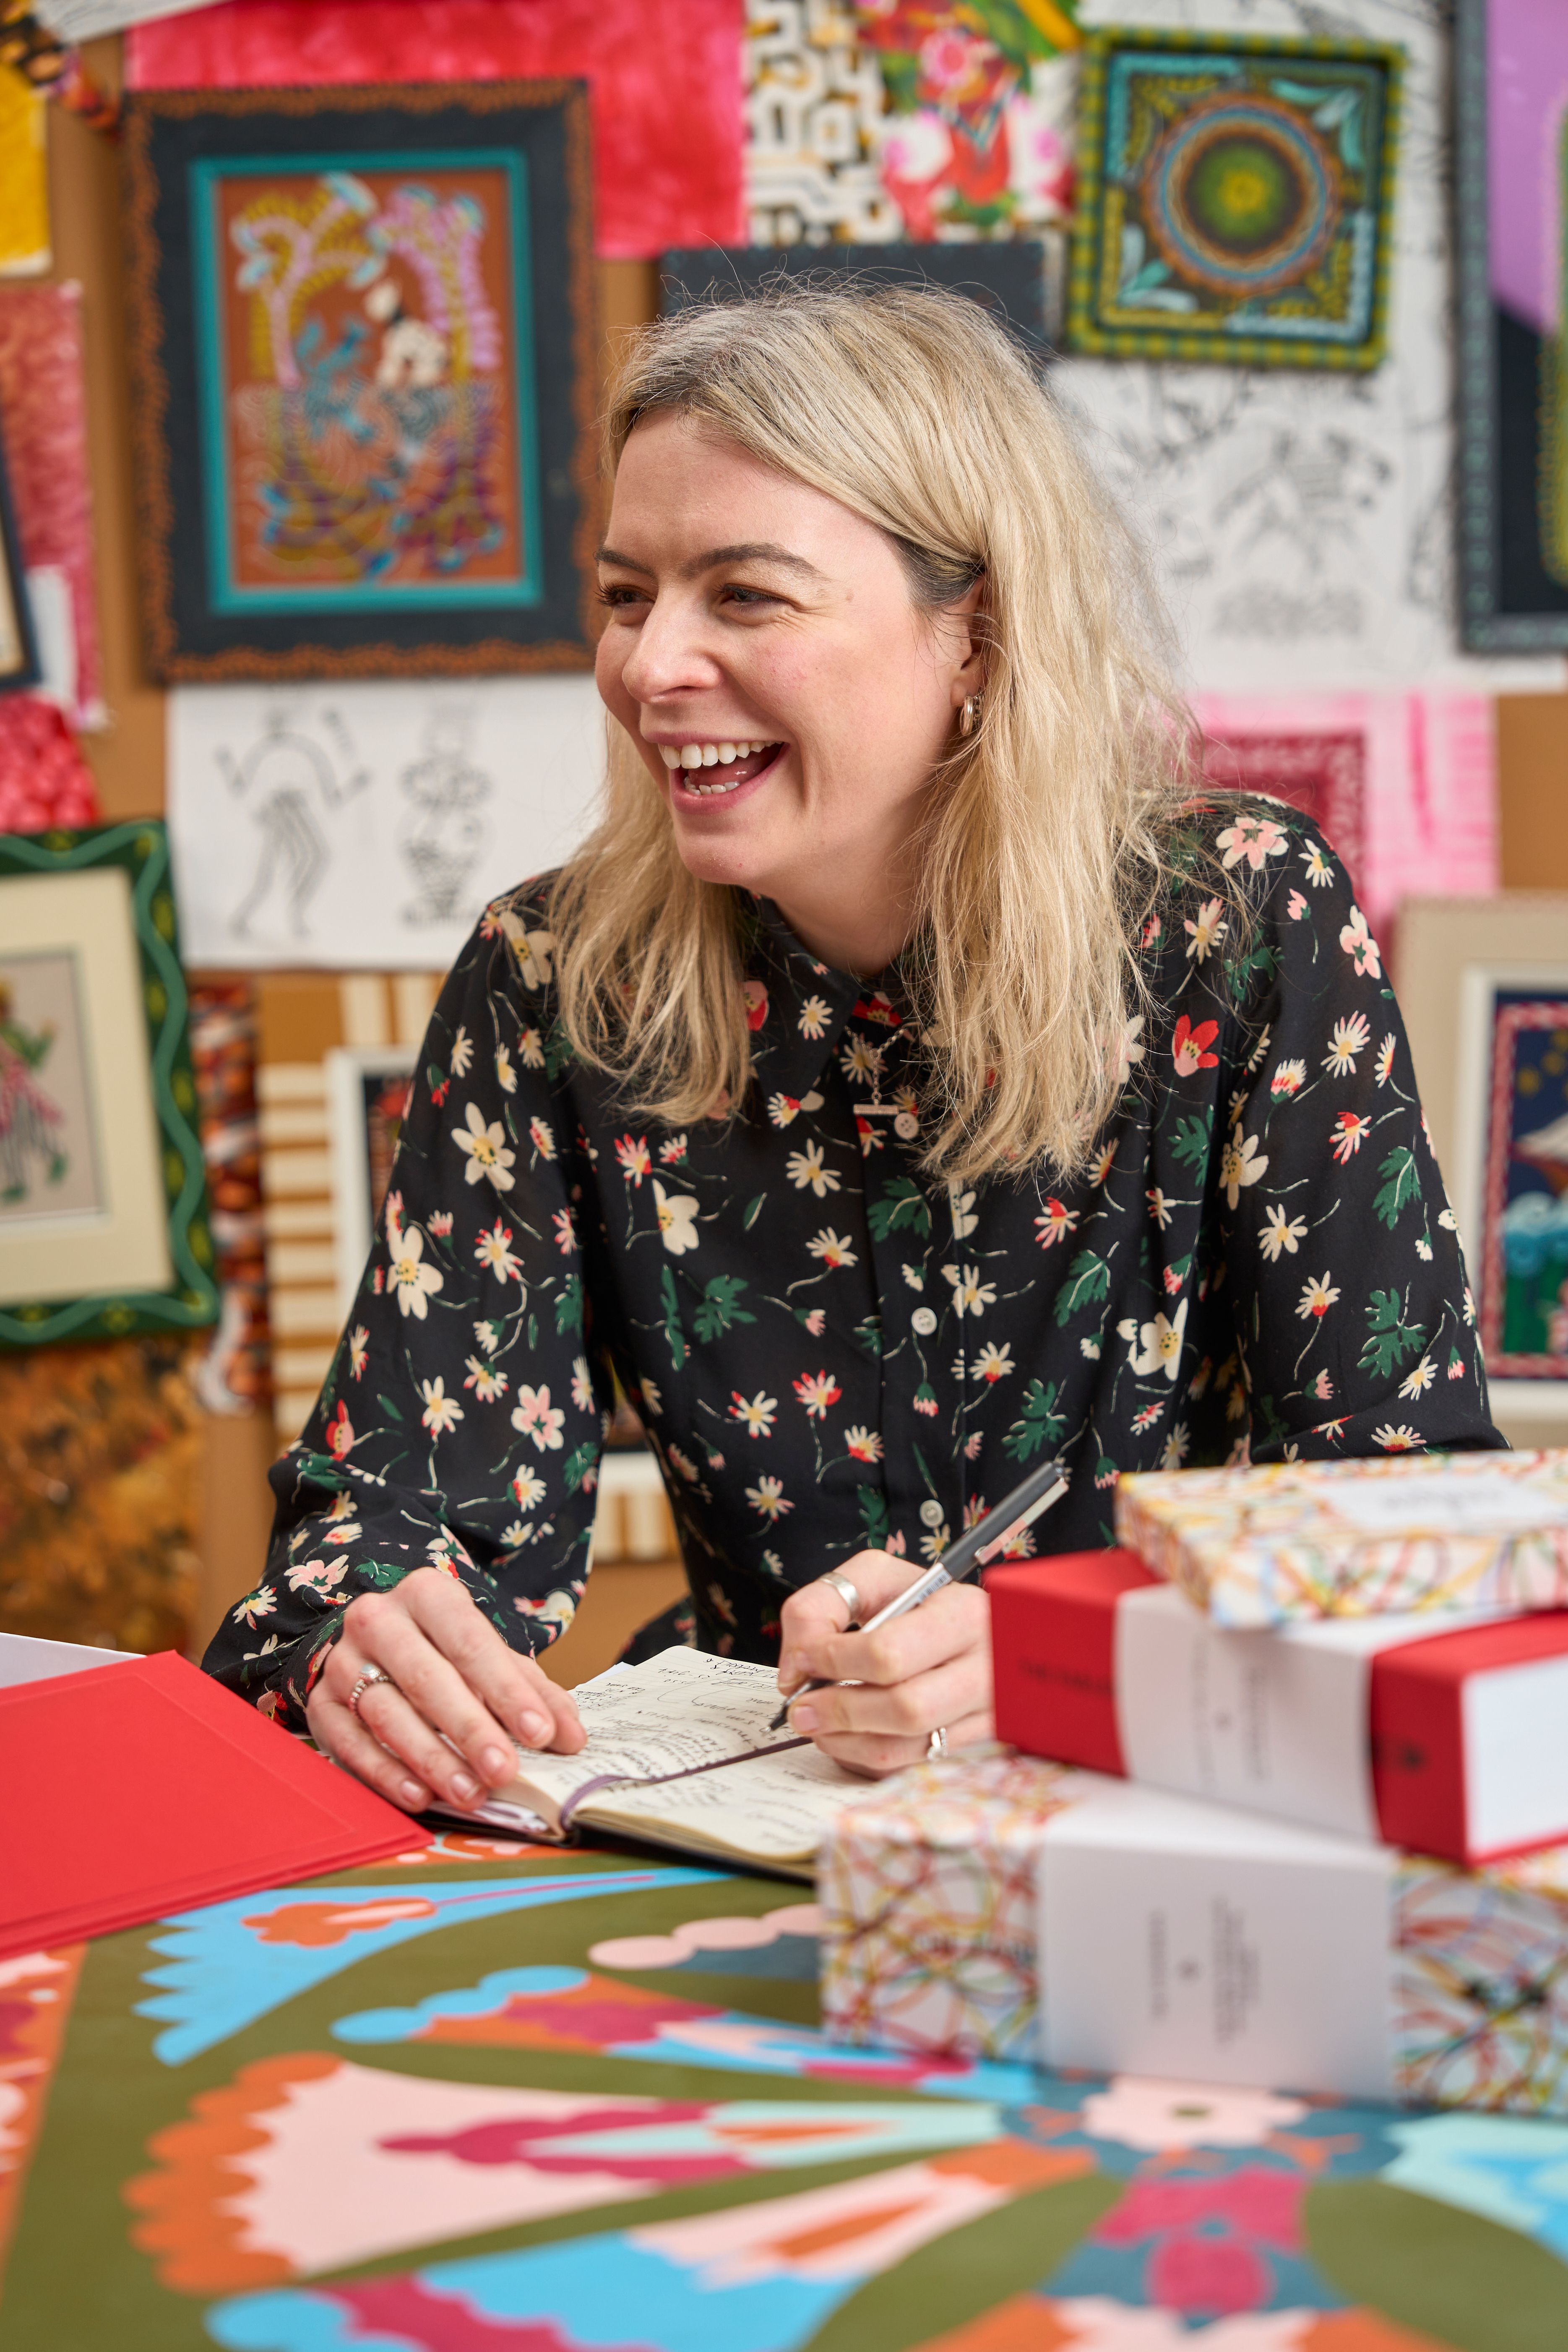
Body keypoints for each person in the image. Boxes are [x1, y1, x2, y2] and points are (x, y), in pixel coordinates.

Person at [205, 283, 1502, 1818]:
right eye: (629, 596)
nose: (649, 667)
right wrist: (365, 1627)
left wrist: (1072, 1648)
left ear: (975, 631)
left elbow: (1415, 1514)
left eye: (742, 596)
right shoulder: (549, 978)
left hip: (1161, 1823)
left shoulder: (1242, 922)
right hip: (739, 1828)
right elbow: (394, 1510)